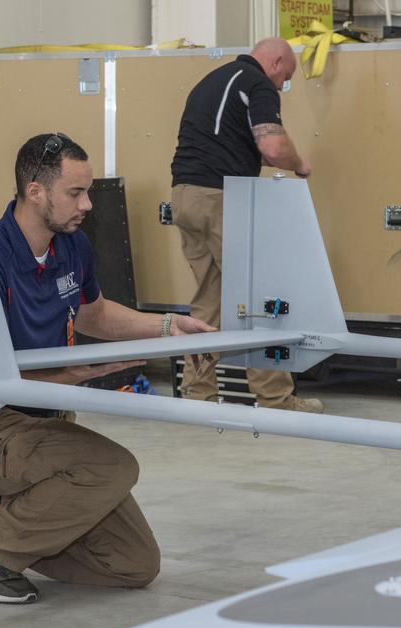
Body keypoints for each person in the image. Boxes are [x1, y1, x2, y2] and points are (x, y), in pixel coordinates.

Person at [0, 132, 215, 604]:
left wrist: (167, 326)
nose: (88, 205)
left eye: (87, 192)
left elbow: (93, 313)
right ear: (35, 191)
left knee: (133, 565)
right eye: (75, 193)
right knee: (112, 467)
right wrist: (77, 373)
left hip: (51, 418)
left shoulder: (71, 246)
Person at [170, 37, 322, 413]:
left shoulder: (212, 80)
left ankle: (198, 396)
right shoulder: (256, 83)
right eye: (286, 77)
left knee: (208, 301)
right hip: (222, 199)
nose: (282, 86)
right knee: (260, 300)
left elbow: (231, 143)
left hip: (185, 195)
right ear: (275, 62)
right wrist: (299, 164)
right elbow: (273, 147)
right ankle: (275, 400)